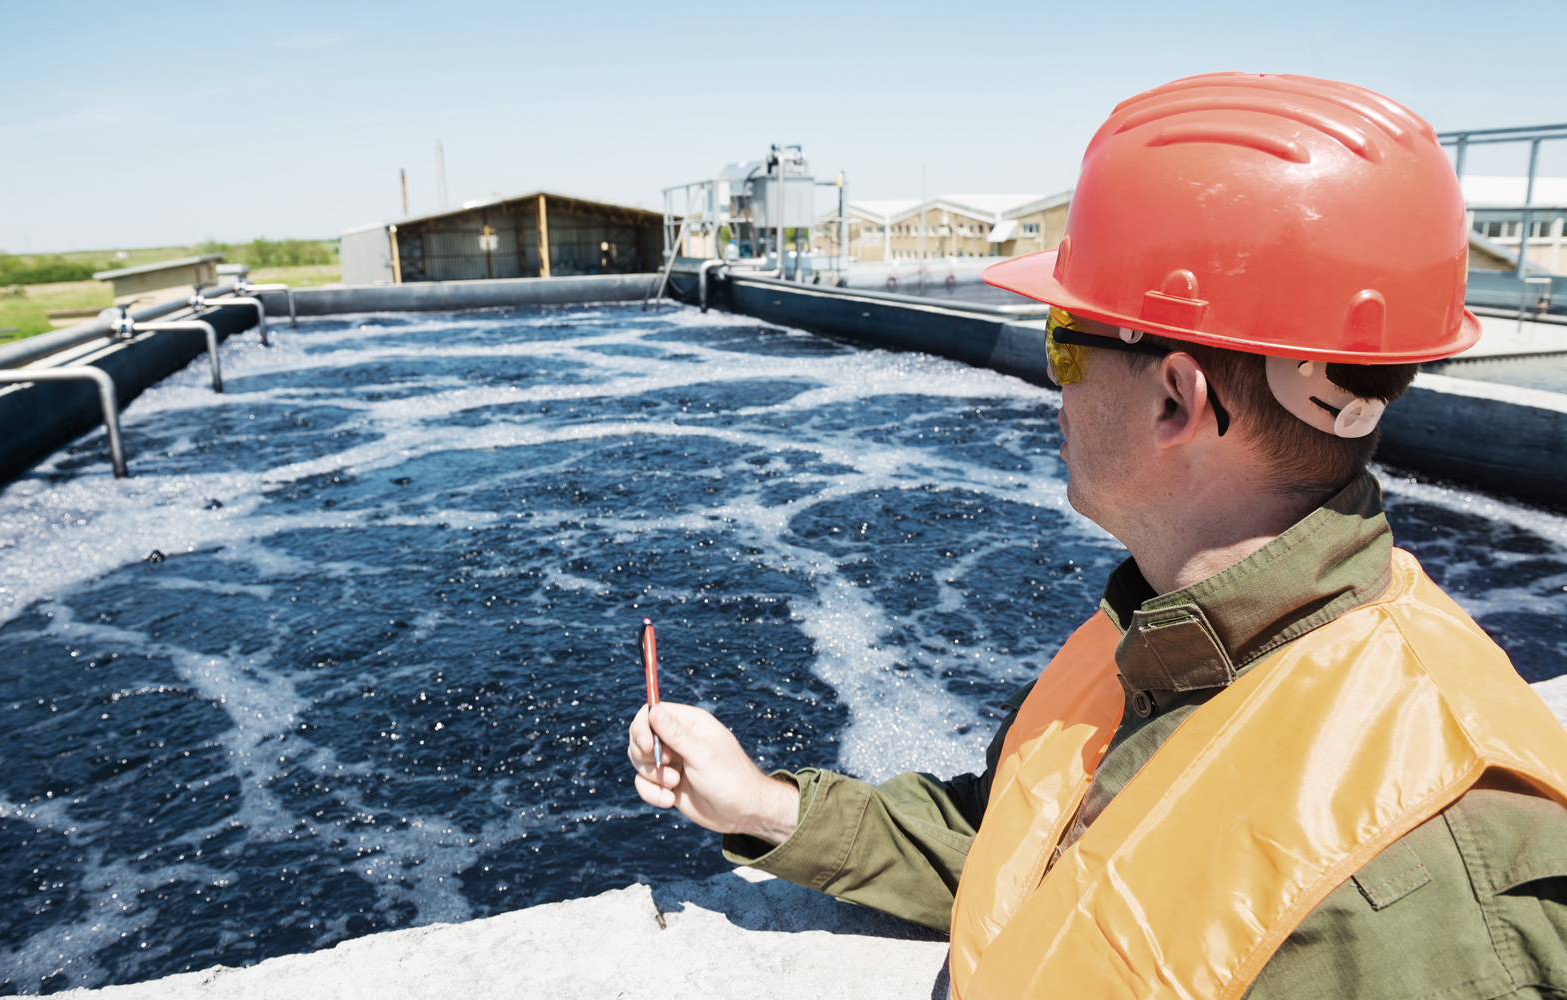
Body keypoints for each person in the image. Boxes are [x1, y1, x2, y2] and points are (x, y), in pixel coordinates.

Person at [627, 72, 1567, 999]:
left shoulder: (1437, 890)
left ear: (1176, 398)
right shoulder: (1166, 633)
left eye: (1065, 337)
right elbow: (1025, 848)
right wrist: (763, 804)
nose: (1055, 383)